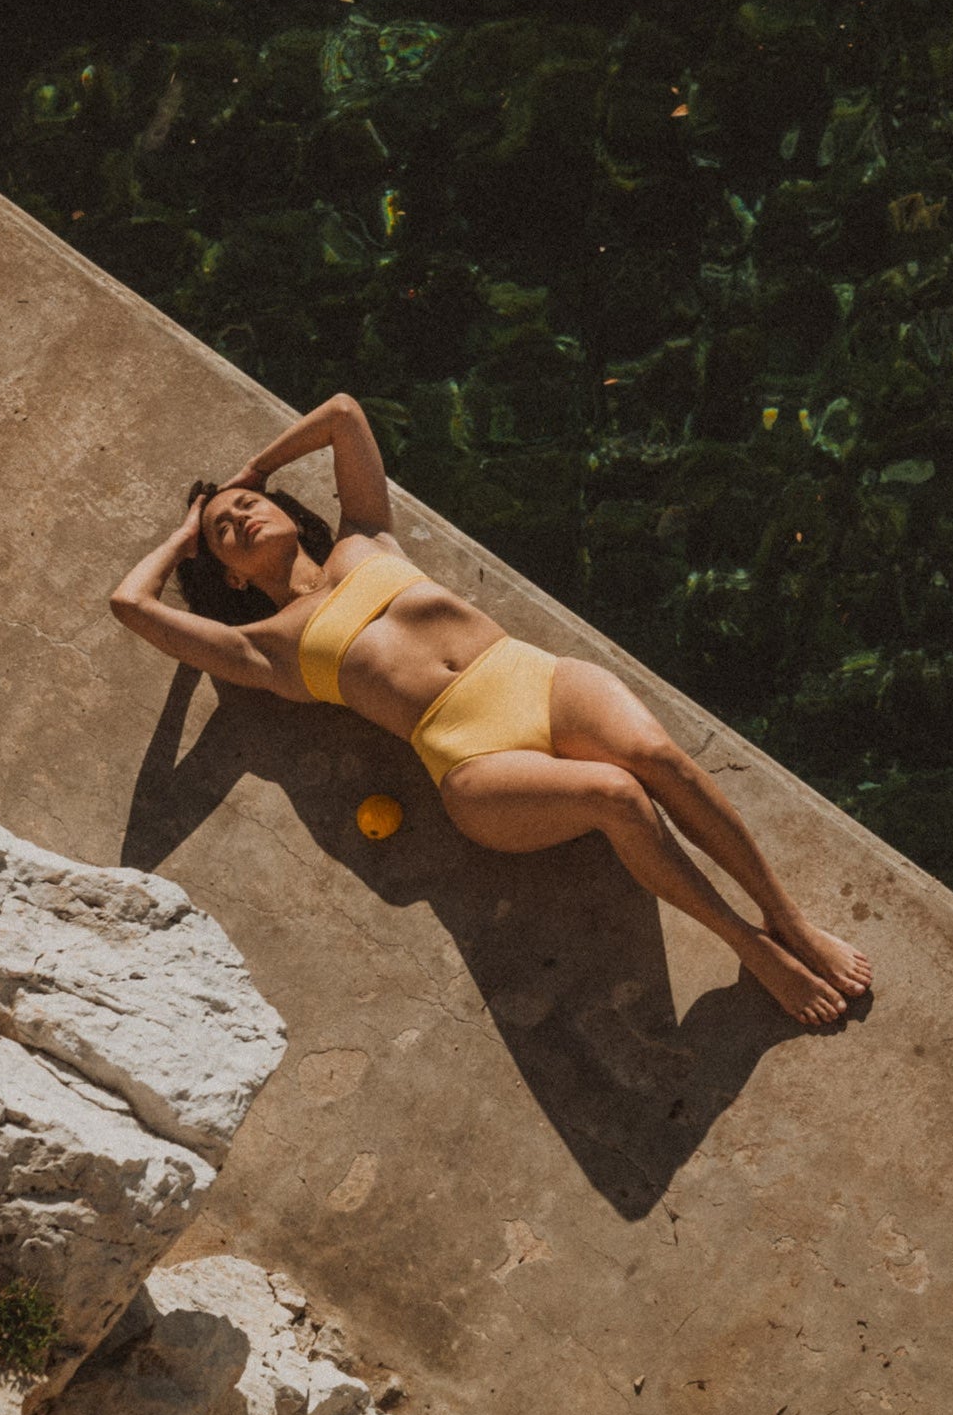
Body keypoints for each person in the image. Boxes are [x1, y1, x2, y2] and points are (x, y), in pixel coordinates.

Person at [111, 392, 872, 1027]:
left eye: (248, 506)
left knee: (659, 759)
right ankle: (750, 944)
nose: (240, 516)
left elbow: (343, 413)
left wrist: (252, 468)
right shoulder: (264, 648)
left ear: (282, 509)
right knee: (617, 797)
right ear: (232, 578)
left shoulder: (364, 539)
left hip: (532, 679)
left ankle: (792, 920)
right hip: (471, 760)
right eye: (224, 532)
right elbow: (130, 604)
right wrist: (185, 537)